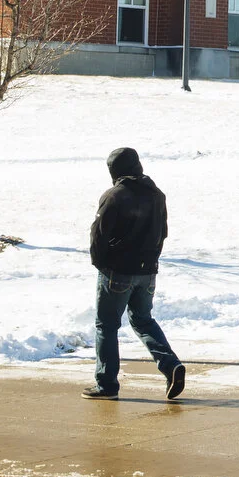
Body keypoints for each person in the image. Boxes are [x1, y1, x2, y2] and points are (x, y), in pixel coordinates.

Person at [82, 146, 185, 401]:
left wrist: (102, 264)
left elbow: (98, 236)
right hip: (147, 272)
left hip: (117, 272)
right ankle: (171, 366)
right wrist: (150, 262)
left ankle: (106, 385)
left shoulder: (114, 196)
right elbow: (163, 232)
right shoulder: (157, 195)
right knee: (143, 320)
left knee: (106, 325)